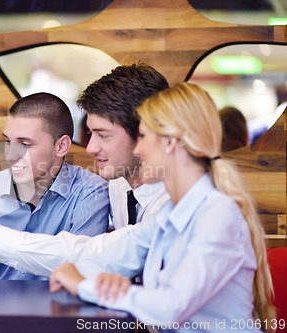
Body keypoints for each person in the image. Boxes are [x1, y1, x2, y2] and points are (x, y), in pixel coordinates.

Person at [0, 63, 170, 278]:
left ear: (145, 133)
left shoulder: (170, 202)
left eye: (104, 135)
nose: (90, 148)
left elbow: (87, 259)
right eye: (8, 141)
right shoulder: (119, 186)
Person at [49, 83, 275, 332]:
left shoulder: (218, 214)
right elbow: (109, 258)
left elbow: (171, 307)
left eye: (143, 136)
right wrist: (99, 279)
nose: (137, 148)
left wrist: (84, 285)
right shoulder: (171, 213)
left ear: (169, 143)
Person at [0, 92, 110, 280]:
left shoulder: (91, 193)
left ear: (61, 146)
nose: (10, 155)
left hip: (62, 307)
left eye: (25, 144)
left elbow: (83, 270)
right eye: (7, 141)